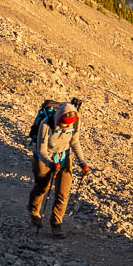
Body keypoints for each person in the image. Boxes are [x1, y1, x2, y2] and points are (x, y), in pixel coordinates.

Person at [28, 100, 89, 236]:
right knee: (42, 188)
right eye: (64, 123)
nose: (66, 126)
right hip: (44, 159)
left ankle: (56, 224)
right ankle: (34, 211)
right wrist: (50, 163)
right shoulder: (46, 124)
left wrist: (82, 162)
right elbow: (41, 151)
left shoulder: (75, 122)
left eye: (69, 124)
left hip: (63, 157)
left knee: (63, 192)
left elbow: (74, 142)